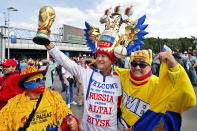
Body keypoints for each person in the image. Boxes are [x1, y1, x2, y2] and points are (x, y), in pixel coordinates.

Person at [115, 49, 196, 131]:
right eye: (134, 64)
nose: (137, 67)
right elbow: (106, 68)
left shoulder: (157, 83)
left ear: (150, 66)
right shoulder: (124, 74)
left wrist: (174, 66)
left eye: (142, 65)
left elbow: (184, 93)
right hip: (126, 125)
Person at [0, 66, 79, 131]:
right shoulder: (14, 103)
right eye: (37, 80)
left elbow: (64, 114)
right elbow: (3, 124)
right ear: (25, 84)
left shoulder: (53, 96)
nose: (42, 82)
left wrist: (71, 121)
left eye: (43, 79)